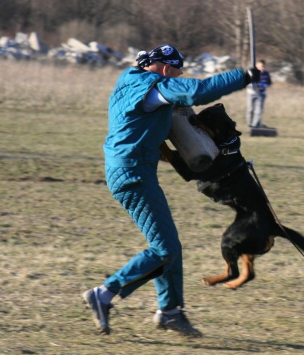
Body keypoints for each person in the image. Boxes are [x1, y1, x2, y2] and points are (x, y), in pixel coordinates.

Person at [82, 44, 260, 336]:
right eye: (177, 71)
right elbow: (198, 91)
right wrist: (246, 76)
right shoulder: (153, 90)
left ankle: (171, 311)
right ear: (166, 70)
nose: (179, 76)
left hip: (130, 171)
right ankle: (103, 294)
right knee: (164, 249)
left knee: (170, 247)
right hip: (132, 175)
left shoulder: (129, 82)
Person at [246, 59, 272, 128]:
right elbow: (246, 82)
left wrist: (262, 84)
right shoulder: (251, 72)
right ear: (257, 66)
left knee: (258, 110)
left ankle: (255, 125)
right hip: (251, 93)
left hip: (261, 94)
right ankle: (250, 124)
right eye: (261, 66)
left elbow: (269, 83)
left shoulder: (266, 73)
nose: (262, 68)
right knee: (250, 109)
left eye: (263, 66)